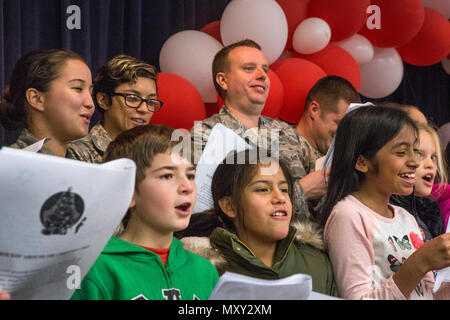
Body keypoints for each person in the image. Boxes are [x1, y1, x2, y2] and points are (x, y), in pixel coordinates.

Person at [71, 124, 218, 300]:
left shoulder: (205, 271)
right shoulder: (94, 270)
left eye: (190, 175)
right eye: (167, 176)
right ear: (128, 192)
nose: (187, 187)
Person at [319, 105, 450, 300]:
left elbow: (426, 296)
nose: (415, 162)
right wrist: (420, 261)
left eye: (415, 151)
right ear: (362, 162)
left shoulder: (406, 218)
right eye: (401, 152)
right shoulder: (349, 215)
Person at [181, 149, 338, 297]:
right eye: (263, 189)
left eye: (284, 189)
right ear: (230, 206)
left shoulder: (316, 261)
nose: (280, 198)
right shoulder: (200, 268)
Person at [191, 39, 312, 223]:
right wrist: (301, 191)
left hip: (302, 247)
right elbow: (201, 213)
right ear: (223, 80)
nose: (262, 75)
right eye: (249, 68)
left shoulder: (288, 134)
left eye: (265, 69)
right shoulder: (203, 136)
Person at [0, 49, 95, 157]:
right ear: (36, 98)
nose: (90, 103)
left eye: (91, 93)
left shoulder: (89, 166)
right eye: (78, 88)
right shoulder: (9, 166)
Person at [68, 54, 161, 163]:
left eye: (151, 102)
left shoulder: (155, 155)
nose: (144, 109)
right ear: (104, 101)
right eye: (132, 98)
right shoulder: (77, 154)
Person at [294, 75, 361, 210]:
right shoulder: (278, 141)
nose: (344, 134)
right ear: (314, 110)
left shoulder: (342, 158)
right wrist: (302, 190)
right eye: (339, 123)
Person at [390, 123, 448, 241]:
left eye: (433, 157)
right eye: (419, 155)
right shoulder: (387, 209)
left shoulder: (431, 211)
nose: (430, 165)